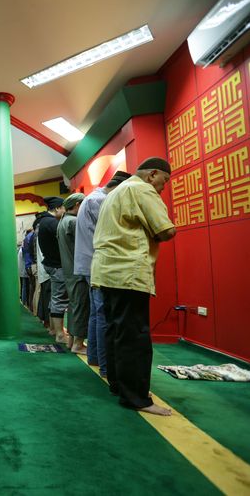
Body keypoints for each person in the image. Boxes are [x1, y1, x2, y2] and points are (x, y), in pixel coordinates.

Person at [91, 158, 176, 416]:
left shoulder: (117, 191)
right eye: (165, 181)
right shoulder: (141, 189)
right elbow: (166, 230)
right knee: (134, 336)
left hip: (107, 271)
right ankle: (137, 397)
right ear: (152, 175)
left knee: (116, 330)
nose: (164, 187)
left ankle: (118, 385)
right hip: (128, 271)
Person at [74, 170, 131, 376]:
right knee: (103, 314)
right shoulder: (100, 201)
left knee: (96, 314)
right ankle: (106, 366)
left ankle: (96, 357)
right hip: (97, 264)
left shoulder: (92, 199)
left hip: (90, 263)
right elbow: (112, 229)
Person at [57, 193, 87, 354]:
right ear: (76, 205)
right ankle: (78, 344)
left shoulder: (63, 221)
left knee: (74, 306)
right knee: (81, 306)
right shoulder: (74, 222)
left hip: (69, 271)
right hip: (78, 271)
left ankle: (71, 341)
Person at [37, 196, 67, 343]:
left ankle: (53, 328)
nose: (65, 211)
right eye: (63, 207)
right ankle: (60, 334)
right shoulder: (51, 222)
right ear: (56, 208)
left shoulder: (43, 221)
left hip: (50, 264)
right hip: (57, 265)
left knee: (55, 297)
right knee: (59, 298)